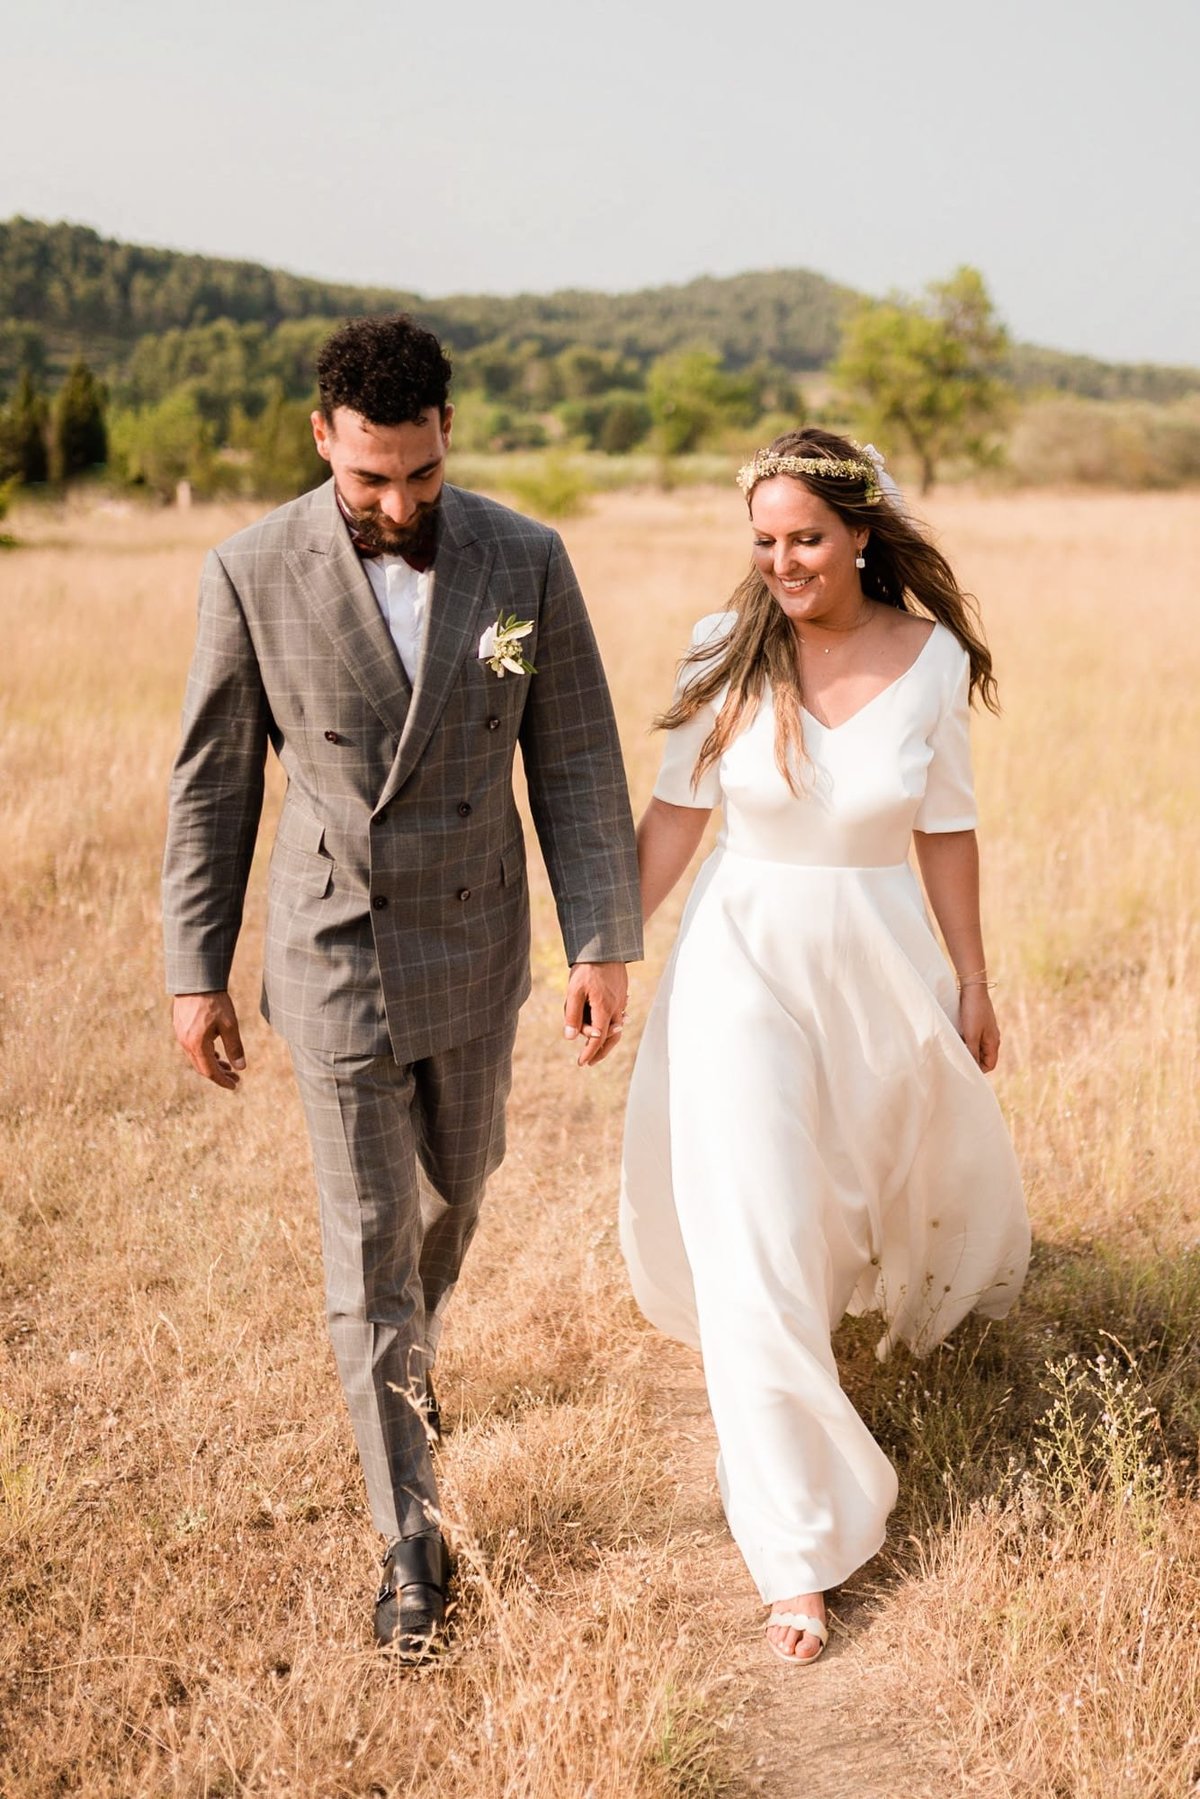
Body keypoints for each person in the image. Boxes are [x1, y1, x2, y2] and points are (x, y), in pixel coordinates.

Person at [162, 314, 642, 1659]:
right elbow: (213, 787)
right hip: (334, 951)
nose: (396, 504)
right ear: (324, 438)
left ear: (447, 438)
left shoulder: (524, 556)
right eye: (370, 479)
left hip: (479, 946)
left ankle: (396, 1372)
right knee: (371, 1248)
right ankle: (409, 1542)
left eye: (419, 478)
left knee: (459, 1190)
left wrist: (601, 935)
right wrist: (193, 968)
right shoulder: (250, 569)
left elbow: (577, 757)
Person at [620, 428, 1029, 1667]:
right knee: (753, 1233)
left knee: (837, 1214)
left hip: (876, 960)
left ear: (860, 532)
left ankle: (833, 1356)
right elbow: (678, 815)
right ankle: (795, 1548)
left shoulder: (930, 659)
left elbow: (945, 830)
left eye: (805, 537)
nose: (783, 561)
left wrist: (972, 976)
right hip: (738, 958)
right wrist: (604, 952)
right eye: (763, 539)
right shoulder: (725, 647)